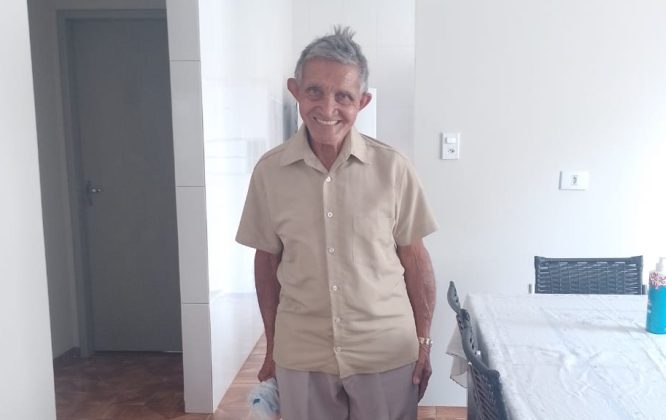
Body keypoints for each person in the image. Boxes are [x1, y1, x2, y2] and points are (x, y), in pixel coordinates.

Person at [236, 26, 438, 420]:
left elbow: (415, 260)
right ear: (295, 90)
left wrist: (424, 341)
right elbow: (266, 262)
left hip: (385, 350)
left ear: (362, 101)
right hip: (303, 353)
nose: (327, 109)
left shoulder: (393, 169)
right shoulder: (269, 172)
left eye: (343, 96)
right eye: (314, 91)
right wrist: (273, 346)